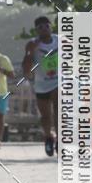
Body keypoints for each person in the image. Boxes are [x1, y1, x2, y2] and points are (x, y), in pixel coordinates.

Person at [22, 16, 59, 156]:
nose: (44, 29)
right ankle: (48, 137)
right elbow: (26, 68)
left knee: (58, 110)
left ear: (51, 27)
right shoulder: (32, 44)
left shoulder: (60, 40)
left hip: (58, 81)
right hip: (42, 84)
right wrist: (31, 52)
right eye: (40, 27)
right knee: (45, 116)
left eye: (46, 26)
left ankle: (60, 140)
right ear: (36, 30)